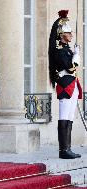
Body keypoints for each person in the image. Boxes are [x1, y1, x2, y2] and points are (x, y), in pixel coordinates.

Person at [48, 10, 82, 159]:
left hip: (72, 84)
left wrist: (73, 53)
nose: (71, 35)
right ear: (62, 36)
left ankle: (68, 148)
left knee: (69, 117)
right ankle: (63, 150)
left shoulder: (66, 50)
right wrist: (77, 54)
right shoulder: (59, 51)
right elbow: (70, 66)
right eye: (69, 33)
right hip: (65, 86)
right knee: (63, 117)